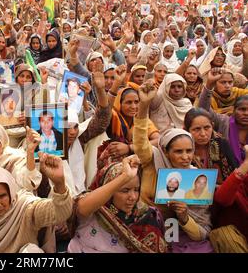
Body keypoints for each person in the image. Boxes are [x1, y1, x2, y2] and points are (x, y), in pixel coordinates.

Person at [134, 81, 214, 253]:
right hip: (143, 227)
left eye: (189, 151)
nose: (185, 157)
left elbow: (202, 232)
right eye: (178, 151)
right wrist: (143, 106)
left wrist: (184, 217)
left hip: (177, 236)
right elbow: (140, 143)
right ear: (165, 151)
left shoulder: (197, 179)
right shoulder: (153, 160)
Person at [68, 155, 167, 253]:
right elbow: (81, 209)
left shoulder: (146, 216)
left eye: (136, 190)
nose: (133, 197)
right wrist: (125, 176)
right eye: (125, 190)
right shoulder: (96, 210)